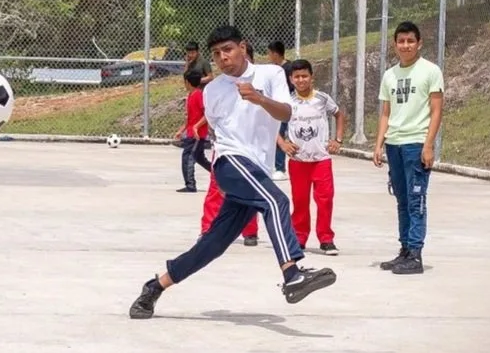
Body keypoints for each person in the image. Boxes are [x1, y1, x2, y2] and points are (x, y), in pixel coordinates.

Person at [129, 25, 335, 318]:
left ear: (242, 46)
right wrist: (227, 177)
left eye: (227, 50)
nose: (223, 58)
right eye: (216, 54)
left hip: (256, 169)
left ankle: (154, 287)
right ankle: (292, 274)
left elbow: (287, 113)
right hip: (230, 162)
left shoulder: (271, 74)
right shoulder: (212, 90)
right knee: (277, 201)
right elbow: (218, 133)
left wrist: (259, 98)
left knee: (213, 244)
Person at [372, 20, 444, 275]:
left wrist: (428, 145)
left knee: (416, 200)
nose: (405, 45)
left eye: (410, 41)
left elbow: (436, 111)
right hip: (395, 144)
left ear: (419, 43)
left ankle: (415, 254)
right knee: (401, 200)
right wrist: (379, 143)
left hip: (416, 144)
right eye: (401, 41)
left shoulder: (430, 71)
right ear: (395, 44)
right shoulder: (390, 75)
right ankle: (404, 250)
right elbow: (385, 113)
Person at [281, 58, 342, 256]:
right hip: (298, 161)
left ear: (311, 77)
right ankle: (299, 238)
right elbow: (272, 123)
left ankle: (326, 239)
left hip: (321, 159)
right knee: (300, 201)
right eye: (296, 77)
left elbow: (339, 115)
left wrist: (337, 139)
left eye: (304, 76)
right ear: (291, 79)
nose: (301, 80)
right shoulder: (287, 101)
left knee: (325, 200)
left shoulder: (322, 99)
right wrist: (282, 143)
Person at [178, 66, 209, 193]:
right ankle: (218, 174)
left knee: (188, 157)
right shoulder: (190, 95)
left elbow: (207, 114)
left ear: (187, 82)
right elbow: (190, 117)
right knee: (199, 158)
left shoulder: (198, 95)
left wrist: (197, 127)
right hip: (191, 132)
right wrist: (182, 129)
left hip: (197, 134)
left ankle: (190, 185)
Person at [267, 39, 292, 176]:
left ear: (275, 54)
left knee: (281, 134)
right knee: (277, 135)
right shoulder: (273, 69)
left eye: (269, 54)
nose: (268, 57)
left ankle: (280, 168)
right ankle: (277, 166)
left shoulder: (287, 69)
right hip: (276, 107)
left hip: (286, 107)